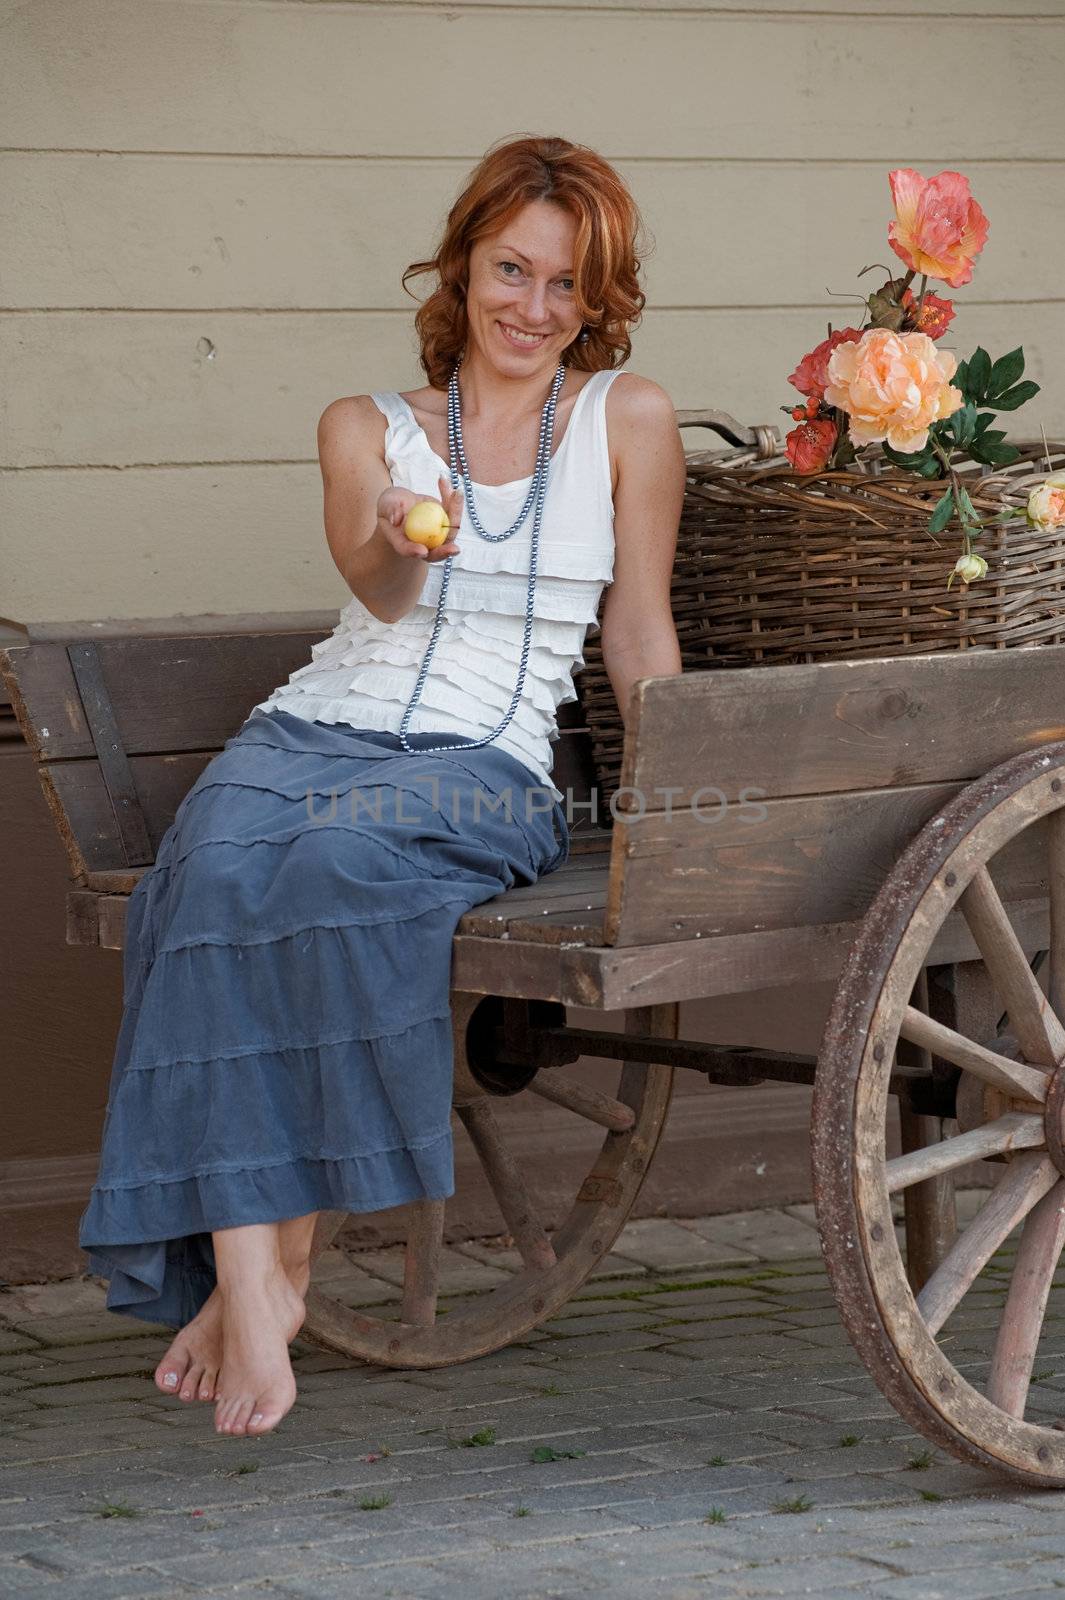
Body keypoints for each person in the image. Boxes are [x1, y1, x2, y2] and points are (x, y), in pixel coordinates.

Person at [78, 133, 686, 1439]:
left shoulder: (625, 421)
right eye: (509, 270)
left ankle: (263, 1274)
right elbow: (379, 589)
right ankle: (258, 1274)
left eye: (564, 285)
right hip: (308, 733)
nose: (531, 307)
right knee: (212, 868)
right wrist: (412, 531)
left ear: (597, 300)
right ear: (460, 268)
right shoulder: (366, 427)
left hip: (482, 767)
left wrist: (676, 807)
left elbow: (636, 633)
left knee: (328, 876)